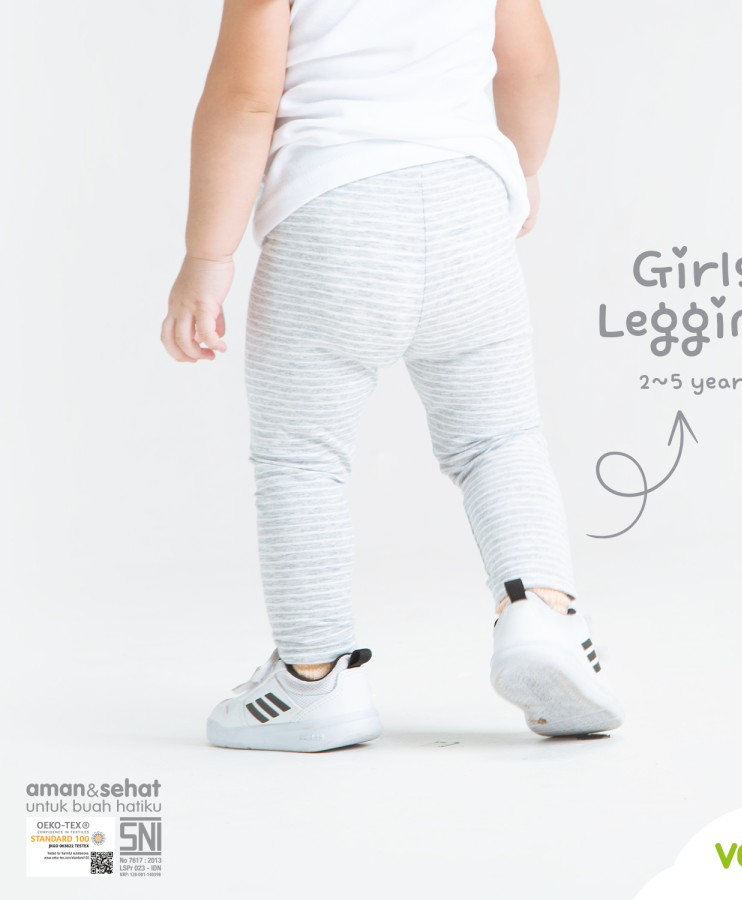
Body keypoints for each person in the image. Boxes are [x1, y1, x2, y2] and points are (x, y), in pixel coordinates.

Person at [161, 0, 624, 752]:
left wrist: (207, 256)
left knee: (301, 461)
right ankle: (542, 611)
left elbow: (243, 98)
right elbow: (531, 63)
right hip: (470, 205)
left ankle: (315, 677)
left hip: (330, 214)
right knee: (499, 438)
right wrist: (525, 165)